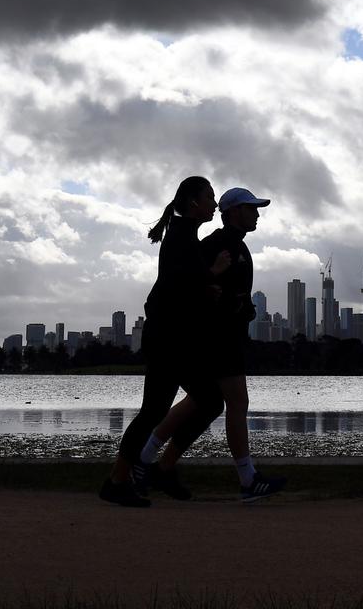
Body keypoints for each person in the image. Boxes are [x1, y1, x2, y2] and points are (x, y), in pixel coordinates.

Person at [99, 176, 231, 508]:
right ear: (193, 203)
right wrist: (212, 274)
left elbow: (182, 287)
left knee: (205, 402)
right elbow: (178, 288)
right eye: (210, 197)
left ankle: (158, 469)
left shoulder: (185, 236)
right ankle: (120, 479)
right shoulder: (181, 238)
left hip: (175, 339)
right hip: (168, 340)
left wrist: (208, 284)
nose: (214, 204)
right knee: (157, 411)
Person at [157, 187, 287, 502]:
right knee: (236, 404)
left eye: (256, 209)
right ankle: (247, 479)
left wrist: (243, 307)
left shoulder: (236, 246)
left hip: (223, 336)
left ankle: (151, 463)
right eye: (250, 208)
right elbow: (194, 285)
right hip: (217, 338)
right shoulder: (216, 245)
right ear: (231, 213)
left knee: (199, 402)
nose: (256, 214)